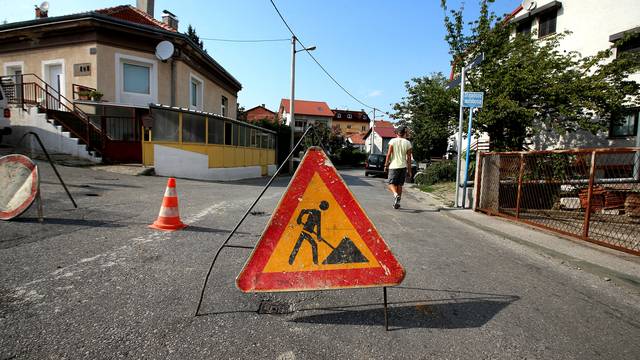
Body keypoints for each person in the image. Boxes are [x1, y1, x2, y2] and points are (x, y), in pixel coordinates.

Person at [288, 200, 329, 265]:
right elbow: (318, 225)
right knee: (314, 245)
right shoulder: (316, 212)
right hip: (306, 231)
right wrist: (299, 219)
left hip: (306, 231)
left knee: (298, 245)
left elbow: (318, 225)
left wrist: (318, 235)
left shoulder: (315, 211)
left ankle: (290, 260)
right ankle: (315, 262)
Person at [384, 126, 412, 209]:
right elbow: (409, 158)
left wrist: (386, 165)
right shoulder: (408, 143)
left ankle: (395, 195)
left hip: (393, 166)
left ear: (397, 133)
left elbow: (388, 154)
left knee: (390, 183)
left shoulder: (392, 141)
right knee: (400, 185)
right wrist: (409, 170)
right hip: (403, 166)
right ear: (404, 133)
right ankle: (397, 202)